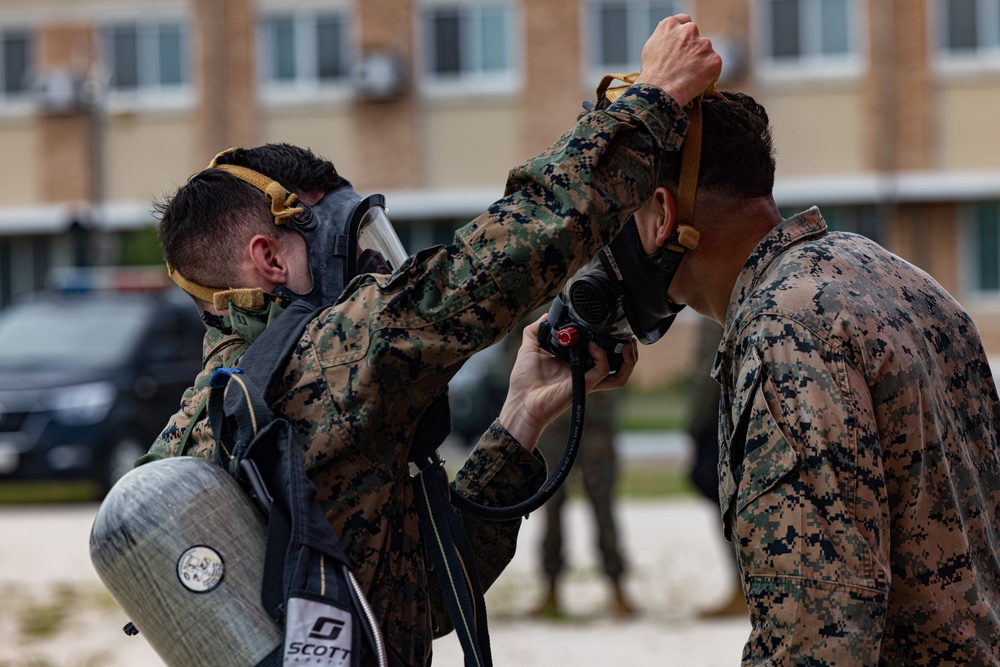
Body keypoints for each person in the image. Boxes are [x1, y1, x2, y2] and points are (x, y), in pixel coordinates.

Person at [139, 16, 722, 667]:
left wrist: (520, 416)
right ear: (269, 259)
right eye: (343, 244)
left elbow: (421, 596)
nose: (371, 270)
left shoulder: (214, 416)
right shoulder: (318, 362)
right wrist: (650, 105)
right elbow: (490, 266)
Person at [628, 90, 1000, 663]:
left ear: (661, 213)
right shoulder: (883, 271)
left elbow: (818, 633)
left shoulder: (784, 326)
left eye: (617, 216)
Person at [506, 308, 637, 619]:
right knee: (550, 508)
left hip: (596, 423)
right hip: (552, 424)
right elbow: (511, 351)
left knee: (603, 507)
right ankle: (551, 590)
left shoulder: (597, 293)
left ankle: (618, 588)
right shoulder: (536, 301)